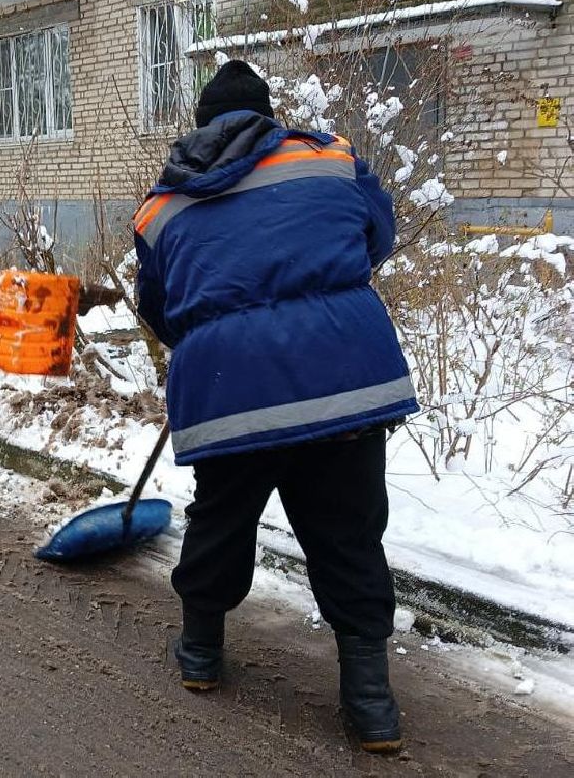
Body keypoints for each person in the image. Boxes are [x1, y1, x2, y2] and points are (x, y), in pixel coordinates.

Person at [134, 60, 418, 754]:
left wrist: (213, 341)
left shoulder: (159, 207)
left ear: (199, 127)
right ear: (267, 115)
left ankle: (200, 655)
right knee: (346, 533)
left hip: (230, 392)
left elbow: (158, 308)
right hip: (343, 382)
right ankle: (369, 706)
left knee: (221, 520)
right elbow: (374, 239)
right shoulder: (329, 160)